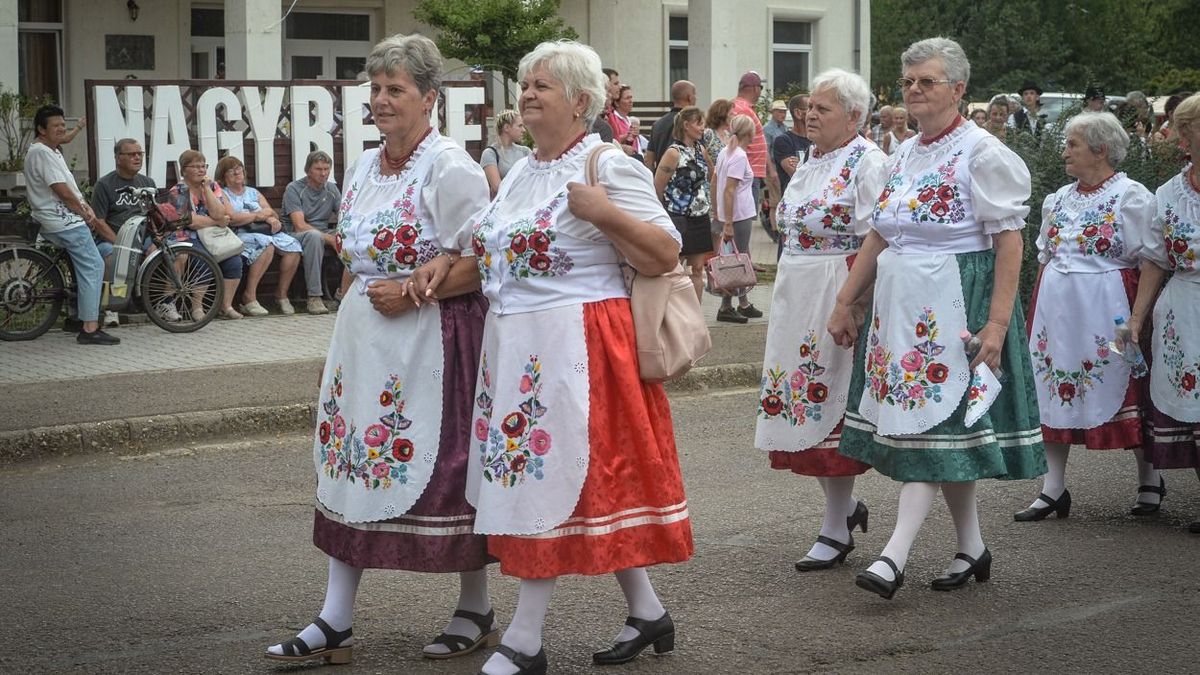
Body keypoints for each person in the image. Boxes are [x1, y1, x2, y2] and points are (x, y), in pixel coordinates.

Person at [461, 39, 693, 675]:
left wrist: (606, 214)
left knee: (550, 483)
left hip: (580, 343)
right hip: (518, 344)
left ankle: (525, 639)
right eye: (526, 84)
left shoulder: (606, 165)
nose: (527, 94)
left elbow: (664, 253)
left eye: (542, 85)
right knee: (576, 486)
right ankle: (647, 612)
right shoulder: (522, 170)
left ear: (582, 101)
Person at [264, 33, 496, 665]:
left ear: (430, 98)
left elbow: (484, 261)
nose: (383, 101)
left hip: (434, 340)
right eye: (376, 90)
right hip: (365, 338)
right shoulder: (364, 164)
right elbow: (356, 253)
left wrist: (417, 292)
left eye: (396, 89)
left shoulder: (451, 166)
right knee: (347, 462)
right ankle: (335, 616)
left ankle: (475, 605)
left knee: (448, 470)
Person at [827, 37, 1045, 600]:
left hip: (954, 302)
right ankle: (972, 546)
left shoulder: (982, 152)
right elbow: (879, 233)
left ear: (958, 89)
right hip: (900, 309)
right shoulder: (901, 154)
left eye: (927, 81)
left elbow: (1009, 242)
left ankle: (893, 555)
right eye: (909, 83)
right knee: (946, 434)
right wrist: (847, 299)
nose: (916, 90)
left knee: (934, 425)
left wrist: (997, 325)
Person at [757, 68, 887, 571]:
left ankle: (835, 526)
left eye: (823, 108)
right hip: (797, 287)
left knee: (828, 400)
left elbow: (879, 238)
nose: (809, 114)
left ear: (854, 117)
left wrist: (854, 303)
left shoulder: (867, 162)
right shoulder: (811, 159)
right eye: (809, 106)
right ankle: (844, 510)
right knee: (803, 403)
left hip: (838, 285)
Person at [1015, 111, 1159, 523]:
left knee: (1124, 384)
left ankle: (1148, 479)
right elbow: (1046, 256)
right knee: (1051, 387)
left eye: (1072, 145)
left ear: (1100, 150)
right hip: (1057, 310)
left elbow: (1150, 260)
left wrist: (1136, 317)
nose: (1065, 153)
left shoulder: (1132, 197)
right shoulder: (1057, 199)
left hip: (1106, 306)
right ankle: (1053, 488)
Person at [1131, 92, 1200, 534]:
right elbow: (1155, 259)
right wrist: (1138, 319)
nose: (1180, 136)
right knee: (1192, 406)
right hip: (1183, 310)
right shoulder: (1169, 193)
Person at [22, 104, 119, 345]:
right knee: (94, 266)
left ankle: (77, 316)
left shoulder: (49, 149)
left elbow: (66, 186)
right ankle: (89, 328)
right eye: (55, 126)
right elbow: (61, 190)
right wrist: (84, 213)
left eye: (63, 125)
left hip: (59, 218)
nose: (61, 130)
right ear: (41, 129)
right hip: (63, 220)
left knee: (80, 267)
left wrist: (84, 208)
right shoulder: (42, 153)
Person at [214, 155, 303, 316]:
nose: (236, 172)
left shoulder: (253, 192)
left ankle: (281, 295)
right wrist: (257, 216)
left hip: (262, 230)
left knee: (293, 246)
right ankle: (250, 297)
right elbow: (232, 218)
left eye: (239, 168)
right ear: (223, 176)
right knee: (265, 244)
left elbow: (270, 211)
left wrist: (267, 217)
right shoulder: (223, 194)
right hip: (240, 233)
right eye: (231, 170)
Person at [168, 150, 244, 320]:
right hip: (186, 236)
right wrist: (216, 220)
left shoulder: (212, 186)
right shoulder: (178, 190)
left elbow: (222, 212)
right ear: (184, 170)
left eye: (203, 166)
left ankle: (226, 306)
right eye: (195, 166)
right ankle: (197, 307)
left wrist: (207, 190)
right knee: (204, 258)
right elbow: (190, 222)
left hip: (213, 235)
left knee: (234, 261)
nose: (201, 170)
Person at [91, 138, 157, 325]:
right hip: (113, 239)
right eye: (131, 154)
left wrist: (155, 240)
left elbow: (154, 216)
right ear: (118, 158)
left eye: (139, 154)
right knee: (113, 260)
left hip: (142, 237)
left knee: (163, 254)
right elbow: (99, 222)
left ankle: (161, 304)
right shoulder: (104, 185)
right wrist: (121, 245)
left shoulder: (147, 182)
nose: (137, 157)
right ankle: (112, 308)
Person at [653, 105, 713, 299]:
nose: (703, 127)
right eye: (699, 123)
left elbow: (711, 174)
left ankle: (696, 314)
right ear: (686, 125)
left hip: (700, 215)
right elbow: (657, 185)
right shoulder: (673, 153)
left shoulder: (700, 150)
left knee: (697, 268)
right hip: (678, 216)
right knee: (675, 267)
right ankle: (674, 310)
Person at [713, 114, 764, 324]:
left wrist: (717, 212)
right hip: (738, 215)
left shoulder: (725, 152)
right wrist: (728, 222)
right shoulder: (739, 155)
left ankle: (742, 301)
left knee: (742, 257)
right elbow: (730, 189)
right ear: (749, 133)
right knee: (736, 260)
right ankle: (726, 305)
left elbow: (715, 181)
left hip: (728, 213)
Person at [282, 150, 342, 315]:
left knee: (351, 235)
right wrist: (330, 239)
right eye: (318, 169)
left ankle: (343, 290)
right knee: (314, 237)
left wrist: (343, 234)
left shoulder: (331, 189)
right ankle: (314, 297)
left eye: (326, 169)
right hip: (295, 235)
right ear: (308, 170)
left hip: (322, 231)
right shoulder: (294, 189)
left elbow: (345, 216)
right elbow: (299, 225)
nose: (323, 173)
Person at [732, 71, 782, 243]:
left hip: (750, 170)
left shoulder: (740, 108)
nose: (760, 92)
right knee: (743, 218)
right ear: (754, 88)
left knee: (745, 217)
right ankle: (742, 256)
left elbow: (758, 141)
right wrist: (770, 169)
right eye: (760, 87)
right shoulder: (742, 109)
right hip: (747, 171)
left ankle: (746, 256)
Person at [644, 79, 696, 170]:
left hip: (661, 179)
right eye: (695, 95)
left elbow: (649, 160)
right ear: (690, 97)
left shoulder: (657, 124)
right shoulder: (693, 125)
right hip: (686, 180)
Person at [480, 109, 533, 198]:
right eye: (520, 126)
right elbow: (497, 187)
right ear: (507, 128)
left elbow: (534, 180)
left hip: (526, 203)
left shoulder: (525, 151)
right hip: (504, 206)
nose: (523, 130)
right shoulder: (490, 153)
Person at [772, 93, 812, 194]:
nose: (815, 113)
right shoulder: (784, 141)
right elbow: (796, 175)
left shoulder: (819, 141)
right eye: (810, 108)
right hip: (794, 201)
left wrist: (800, 163)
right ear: (798, 113)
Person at [702, 98, 733, 172]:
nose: (733, 116)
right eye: (731, 114)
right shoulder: (709, 133)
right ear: (722, 115)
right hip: (712, 179)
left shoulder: (728, 134)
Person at [609, 84, 636, 156]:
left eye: (631, 97)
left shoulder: (628, 119)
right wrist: (627, 136)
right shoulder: (613, 118)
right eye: (627, 98)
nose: (631, 101)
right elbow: (613, 140)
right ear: (617, 103)